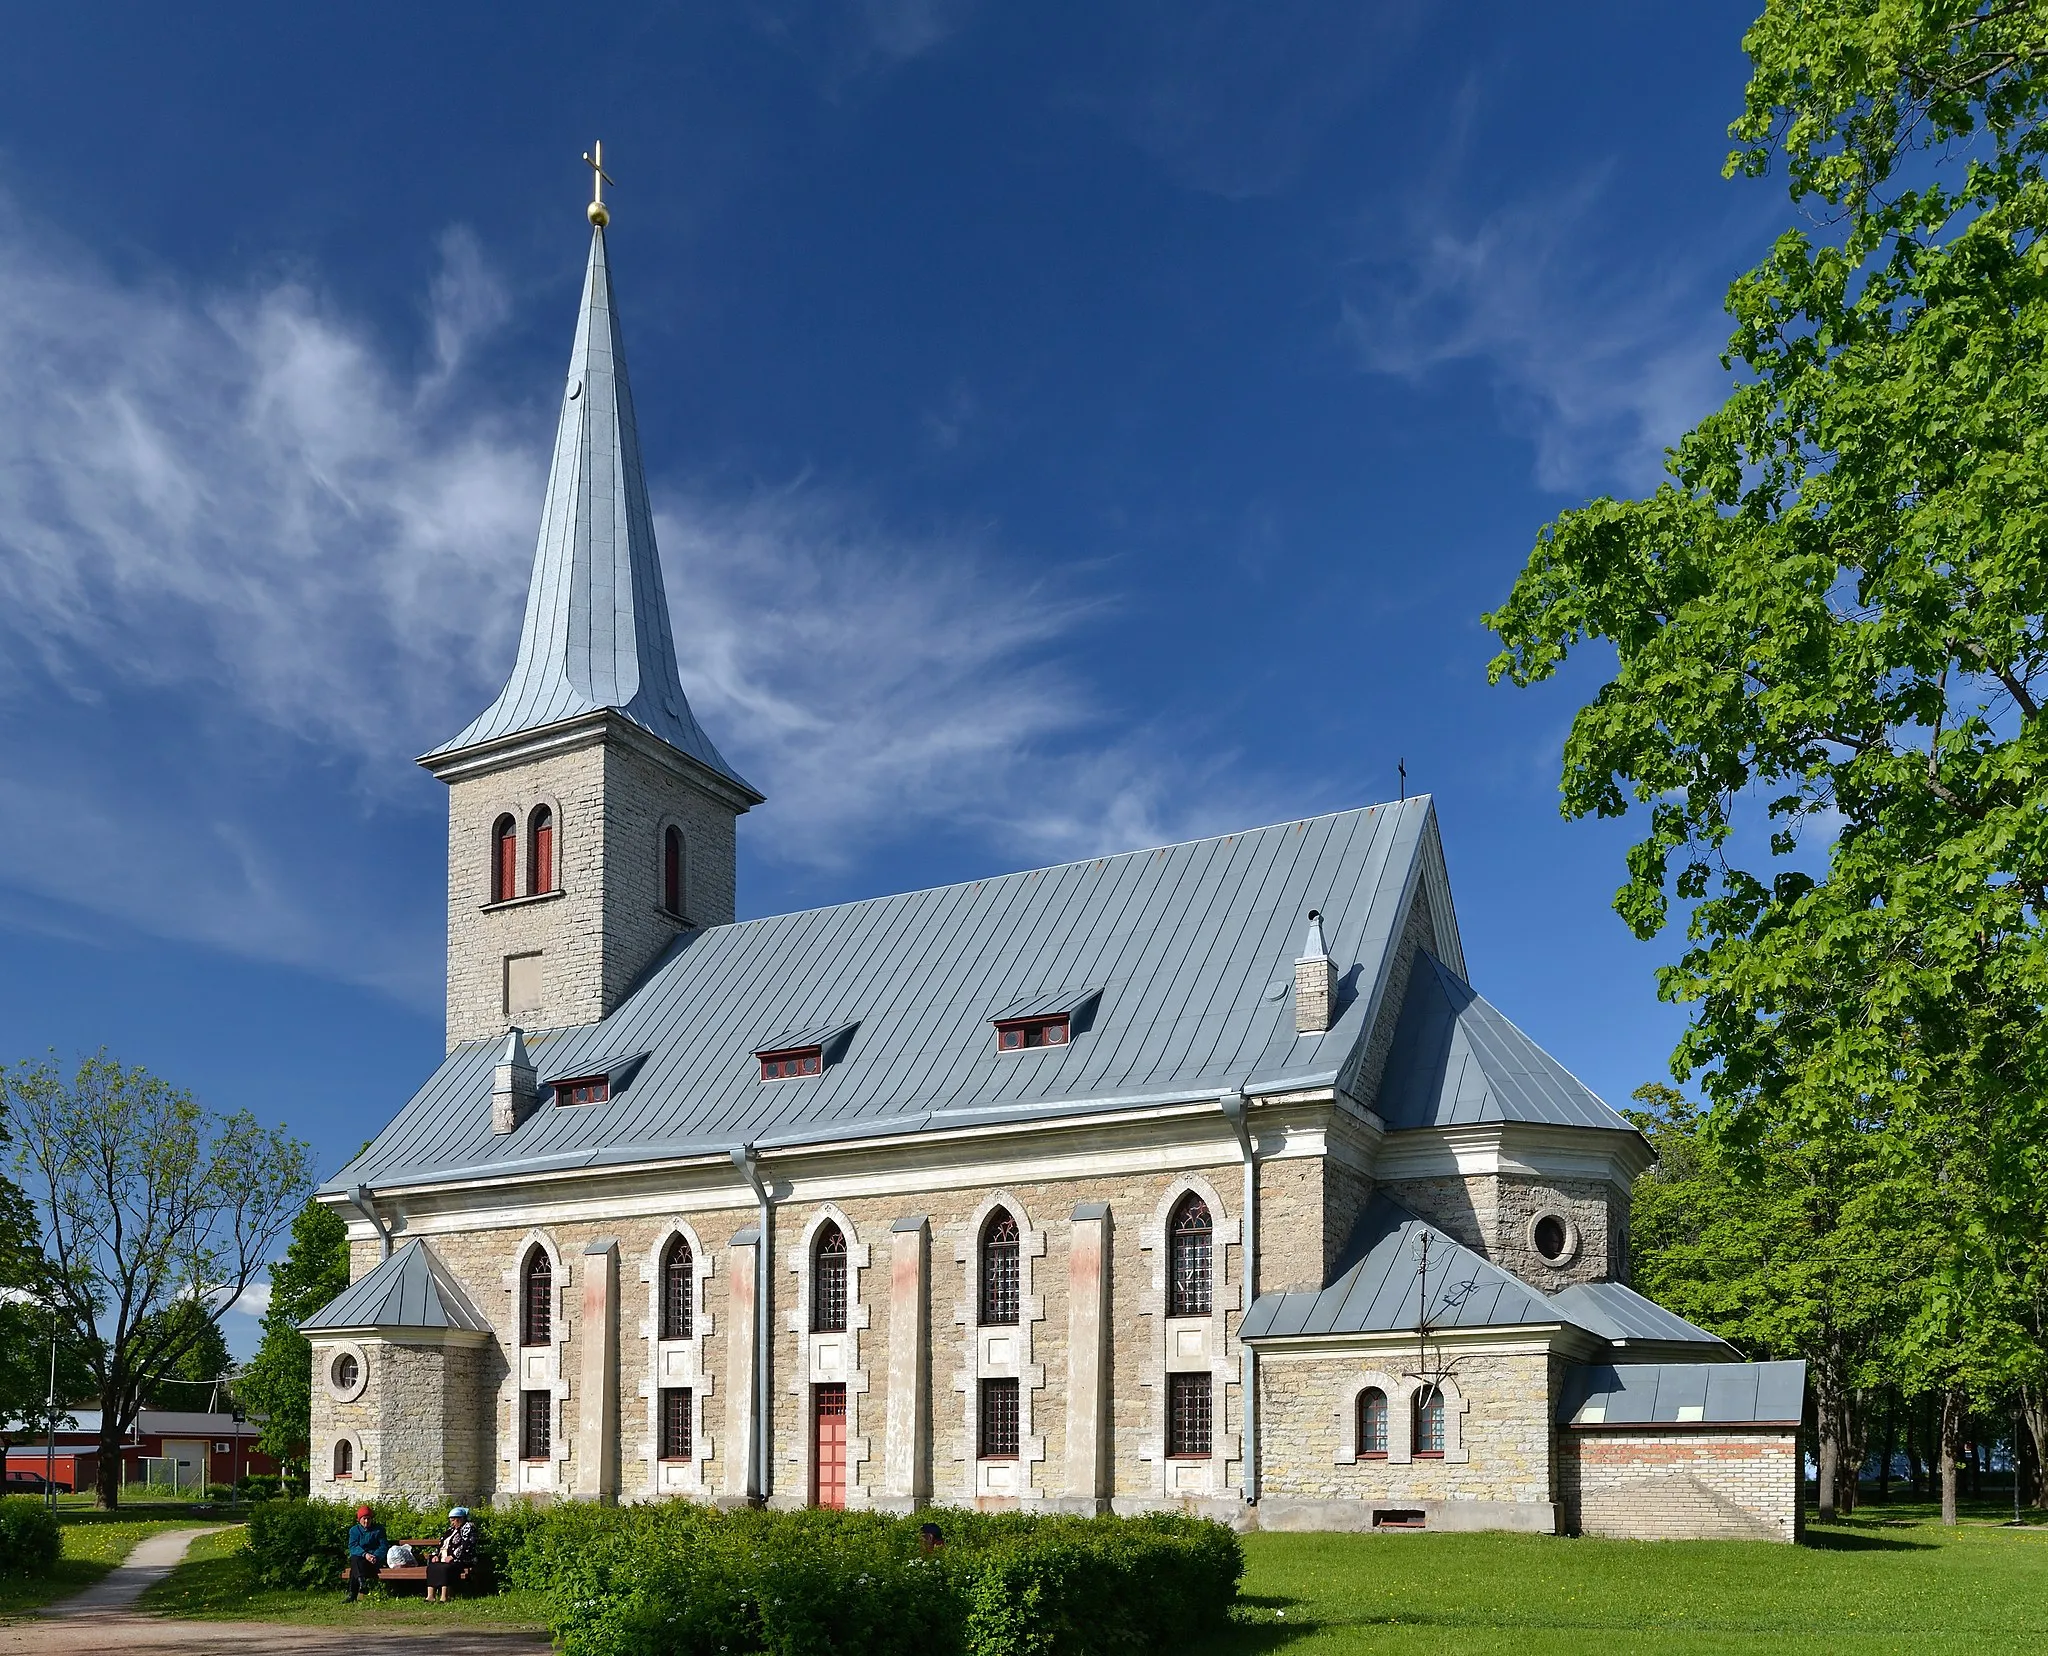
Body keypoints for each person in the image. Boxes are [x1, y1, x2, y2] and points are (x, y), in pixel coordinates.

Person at [426, 1506, 479, 1602]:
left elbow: (466, 1545)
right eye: (451, 1520)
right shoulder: (450, 1530)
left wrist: (453, 1556)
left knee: (445, 1568)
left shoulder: (468, 1528)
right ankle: (430, 1596)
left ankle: (444, 1596)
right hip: (445, 1558)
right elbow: (441, 1544)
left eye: (454, 1520)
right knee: (432, 1567)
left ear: (461, 1519)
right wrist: (435, 1555)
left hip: (461, 1559)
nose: (452, 1523)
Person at [345, 1504, 388, 1602]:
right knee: (355, 1559)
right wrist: (365, 1554)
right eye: (364, 1519)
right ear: (359, 1519)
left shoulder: (379, 1530)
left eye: (368, 1519)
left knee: (354, 1567)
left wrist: (375, 1556)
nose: (366, 1521)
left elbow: (383, 1546)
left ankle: (353, 1593)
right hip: (361, 1558)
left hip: (374, 1560)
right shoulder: (354, 1531)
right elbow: (353, 1546)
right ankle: (361, 1582)